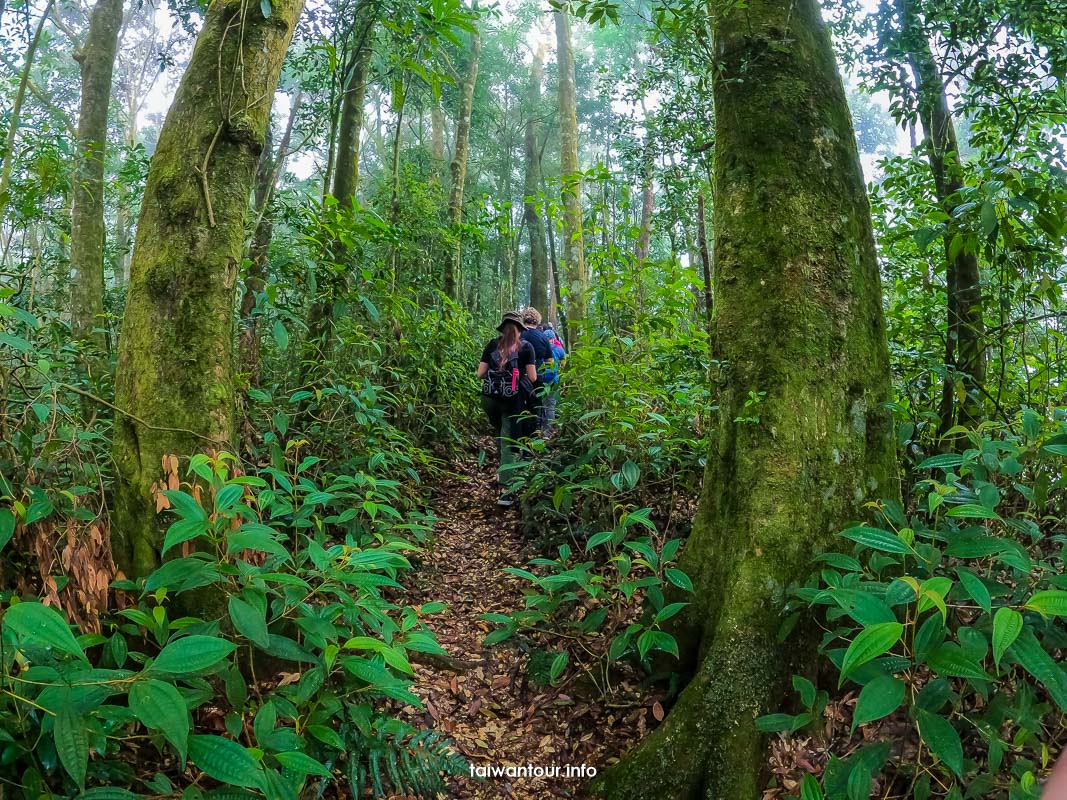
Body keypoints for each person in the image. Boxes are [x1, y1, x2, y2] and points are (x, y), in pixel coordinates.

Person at [478, 311, 537, 506]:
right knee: (508, 441)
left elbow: (480, 373)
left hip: (489, 399)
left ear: (502, 328)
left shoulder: (492, 345)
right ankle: (505, 491)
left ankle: (503, 466)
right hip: (512, 400)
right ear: (520, 329)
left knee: (501, 433)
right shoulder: (526, 348)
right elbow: (533, 377)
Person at [519, 307, 551, 436]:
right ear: (537, 321)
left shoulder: (518, 333)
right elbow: (550, 361)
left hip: (519, 376)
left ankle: (519, 433)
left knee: (519, 406)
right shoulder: (543, 337)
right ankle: (534, 435)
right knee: (536, 406)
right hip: (538, 375)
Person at [539, 322, 566, 434]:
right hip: (553, 381)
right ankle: (549, 431)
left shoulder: (539, 348)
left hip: (540, 379)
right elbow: (563, 364)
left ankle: (540, 429)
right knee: (551, 405)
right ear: (553, 338)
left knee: (540, 404)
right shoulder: (559, 349)